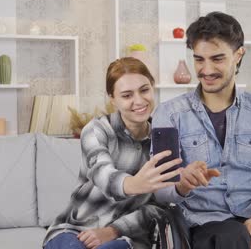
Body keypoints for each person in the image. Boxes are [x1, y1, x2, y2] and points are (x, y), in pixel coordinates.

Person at [152, 12, 251, 249]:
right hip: (204, 219)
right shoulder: (168, 114)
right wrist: (181, 184)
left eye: (217, 59)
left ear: (239, 54)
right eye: (199, 59)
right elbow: (160, 189)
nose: (206, 69)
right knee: (230, 237)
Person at [44, 57, 182, 249]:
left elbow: (159, 208)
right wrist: (134, 184)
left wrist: (113, 230)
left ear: (152, 87)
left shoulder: (163, 141)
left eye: (144, 90)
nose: (139, 101)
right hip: (77, 229)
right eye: (127, 95)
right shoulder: (96, 130)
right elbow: (102, 173)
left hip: (126, 236)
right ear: (113, 99)